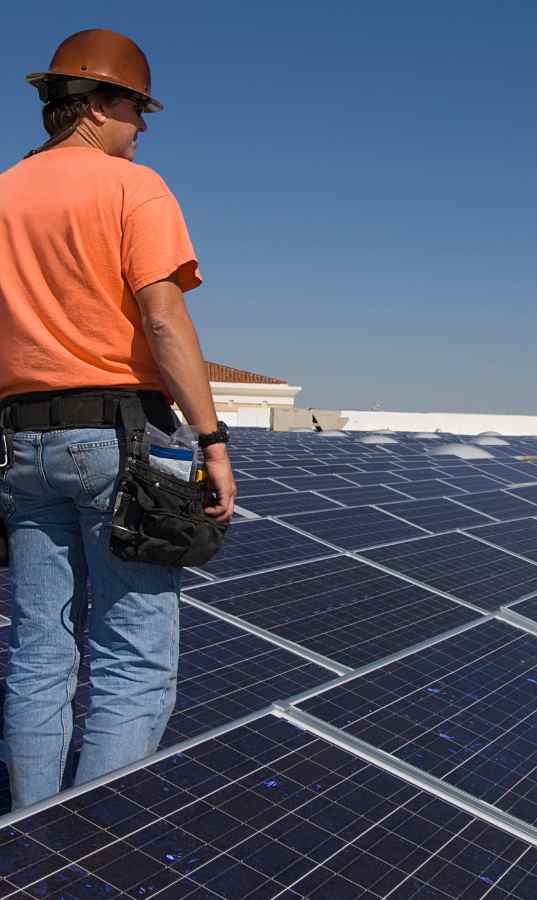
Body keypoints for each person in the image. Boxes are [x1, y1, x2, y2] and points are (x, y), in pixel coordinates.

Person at [0, 28, 236, 809]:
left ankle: (30, 838)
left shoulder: (3, 194)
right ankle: (92, 858)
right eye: (137, 110)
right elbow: (164, 321)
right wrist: (212, 439)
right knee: (134, 658)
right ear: (99, 106)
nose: (144, 128)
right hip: (116, 440)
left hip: (16, 447)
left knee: (38, 655)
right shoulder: (134, 189)